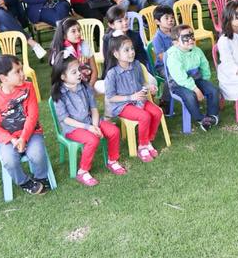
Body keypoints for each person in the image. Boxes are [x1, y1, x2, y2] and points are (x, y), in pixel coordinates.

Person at [51, 56, 126, 184]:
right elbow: (66, 120)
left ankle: (112, 160)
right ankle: (83, 171)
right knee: (92, 139)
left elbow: (94, 108)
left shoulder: (85, 87)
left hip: (90, 121)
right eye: (74, 72)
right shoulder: (59, 94)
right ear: (63, 77)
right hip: (72, 128)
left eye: (78, 69)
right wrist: (89, 128)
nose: (79, 73)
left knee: (114, 131)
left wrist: (95, 126)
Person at [0, 55, 49, 196]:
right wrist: (13, 140)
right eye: (17, 71)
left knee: (37, 154)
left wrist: (24, 138)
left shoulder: (28, 87)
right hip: (8, 139)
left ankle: (41, 177)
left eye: (22, 69)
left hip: (32, 133)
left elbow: (32, 116)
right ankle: (24, 182)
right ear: (4, 78)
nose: (22, 74)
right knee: (9, 160)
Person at [102, 35, 163, 163]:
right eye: (126, 50)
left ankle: (147, 140)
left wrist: (150, 87)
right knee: (144, 116)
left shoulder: (136, 65)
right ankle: (142, 146)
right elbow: (111, 97)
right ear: (116, 54)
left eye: (132, 48)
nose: (131, 52)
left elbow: (142, 83)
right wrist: (131, 97)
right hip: (122, 105)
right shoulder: (112, 74)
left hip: (139, 100)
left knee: (157, 112)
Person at [164, 24, 220, 131]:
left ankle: (212, 116)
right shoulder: (174, 56)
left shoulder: (197, 50)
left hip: (196, 79)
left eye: (191, 36)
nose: (190, 39)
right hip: (179, 84)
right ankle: (201, 119)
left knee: (213, 90)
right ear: (176, 42)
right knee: (190, 96)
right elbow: (180, 77)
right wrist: (196, 90)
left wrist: (205, 81)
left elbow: (204, 65)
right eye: (186, 37)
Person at [49, 17, 99, 91]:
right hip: (69, 88)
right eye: (73, 31)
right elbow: (61, 78)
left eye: (79, 30)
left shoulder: (84, 45)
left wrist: (89, 87)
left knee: (103, 86)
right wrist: (78, 62)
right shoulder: (59, 51)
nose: (78, 33)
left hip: (87, 83)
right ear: (64, 35)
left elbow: (94, 71)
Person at [101, 6, 150, 72]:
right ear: (111, 25)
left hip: (134, 69)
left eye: (126, 18)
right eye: (120, 21)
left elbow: (142, 57)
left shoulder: (135, 35)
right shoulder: (108, 39)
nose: (125, 23)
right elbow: (109, 60)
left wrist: (134, 67)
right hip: (115, 71)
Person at [149, 5, 176, 77]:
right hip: (163, 66)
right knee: (175, 75)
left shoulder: (176, 32)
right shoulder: (157, 38)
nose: (170, 20)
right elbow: (163, 57)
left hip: (178, 61)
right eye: (166, 18)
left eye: (172, 17)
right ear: (157, 22)